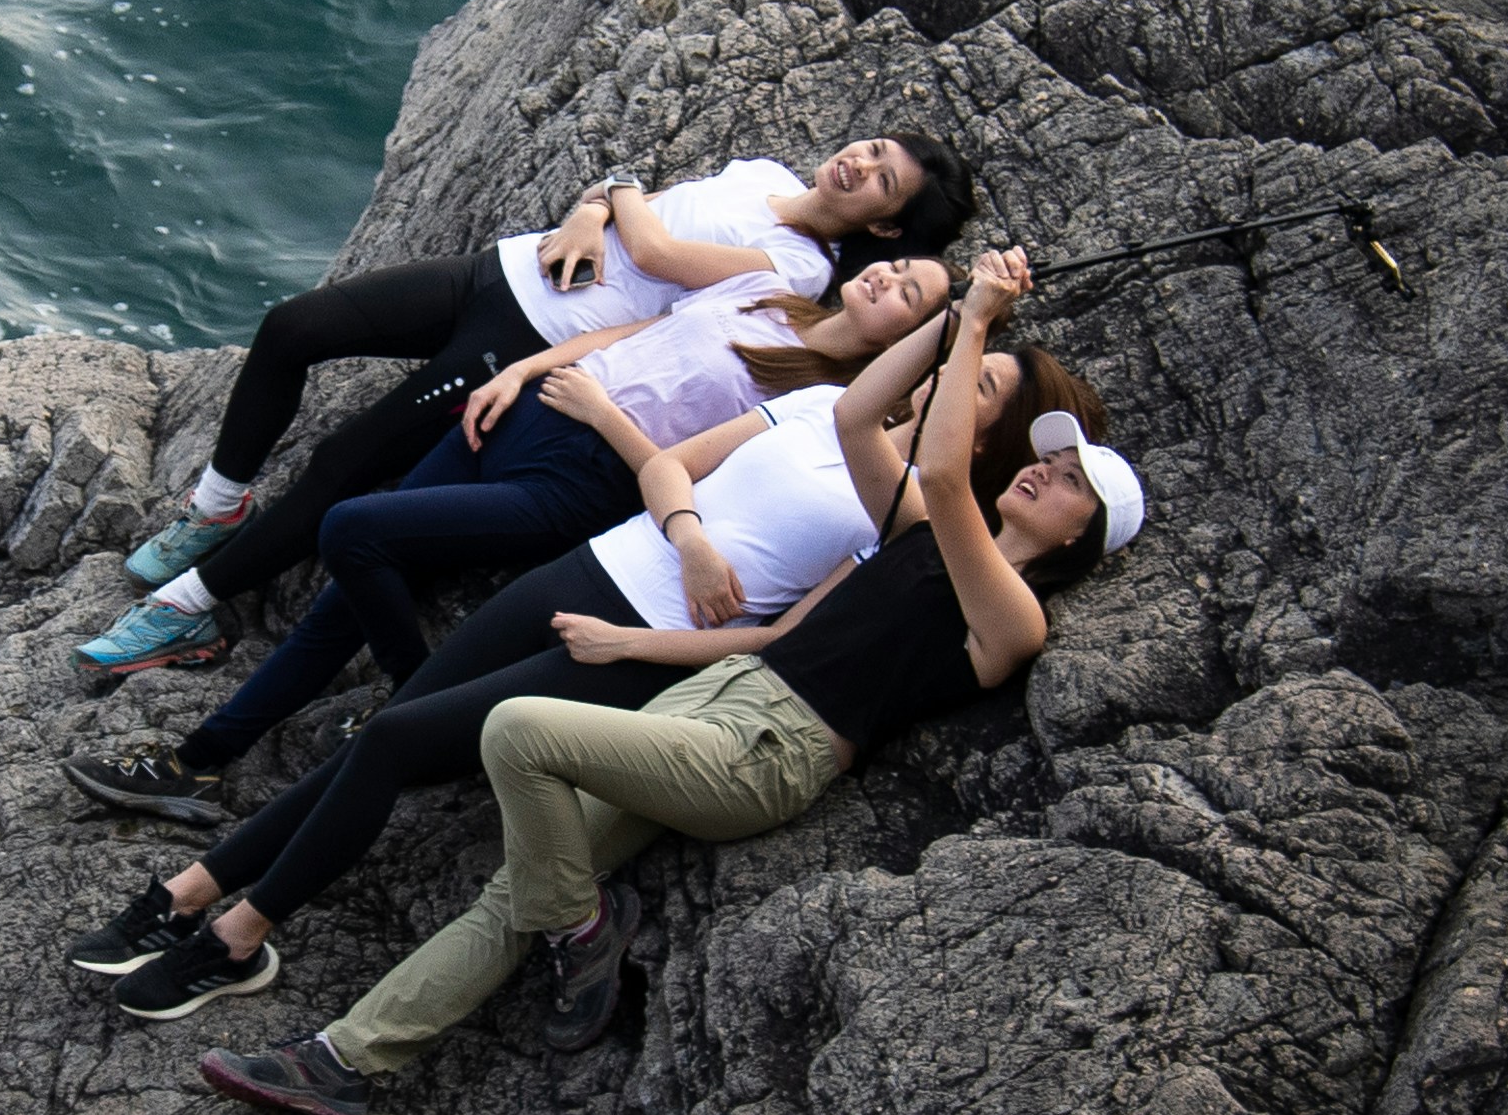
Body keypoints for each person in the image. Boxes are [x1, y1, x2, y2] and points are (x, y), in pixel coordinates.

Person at [185, 250, 1141, 1115]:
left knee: (516, 730)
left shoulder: (1013, 614)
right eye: (1049, 460)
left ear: (1077, 537)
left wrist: (979, 323)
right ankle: (343, 1060)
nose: (1044, 475)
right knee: (514, 890)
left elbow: (943, 471)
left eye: (1069, 483)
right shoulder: (915, 533)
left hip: (769, 748)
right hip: (711, 699)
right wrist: (956, 317)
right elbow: (858, 416)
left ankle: (583, 925)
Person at [67, 249, 968, 803]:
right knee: (339, 602)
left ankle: (411, 690)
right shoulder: (765, 287)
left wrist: (600, 412)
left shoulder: (820, 402)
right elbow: (629, 331)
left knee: (353, 529)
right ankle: (199, 760)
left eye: (910, 294)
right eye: (898, 266)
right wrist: (523, 372)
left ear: (914, 340)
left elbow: (691, 471)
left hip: (583, 479)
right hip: (524, 412)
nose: (887, 277)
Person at [80, 138, 970, 686]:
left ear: (886, 227)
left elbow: (654, 249)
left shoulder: (801, 271)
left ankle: (190, 604)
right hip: (506, 269)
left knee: (344, 465)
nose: (859, 164)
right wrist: (589, 209)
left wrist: (613, 186)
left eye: (881, 181)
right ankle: (217, 505)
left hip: (540, 333)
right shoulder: (763, 173)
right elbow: (632, 217)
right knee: (293, 327)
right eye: (872, 149)